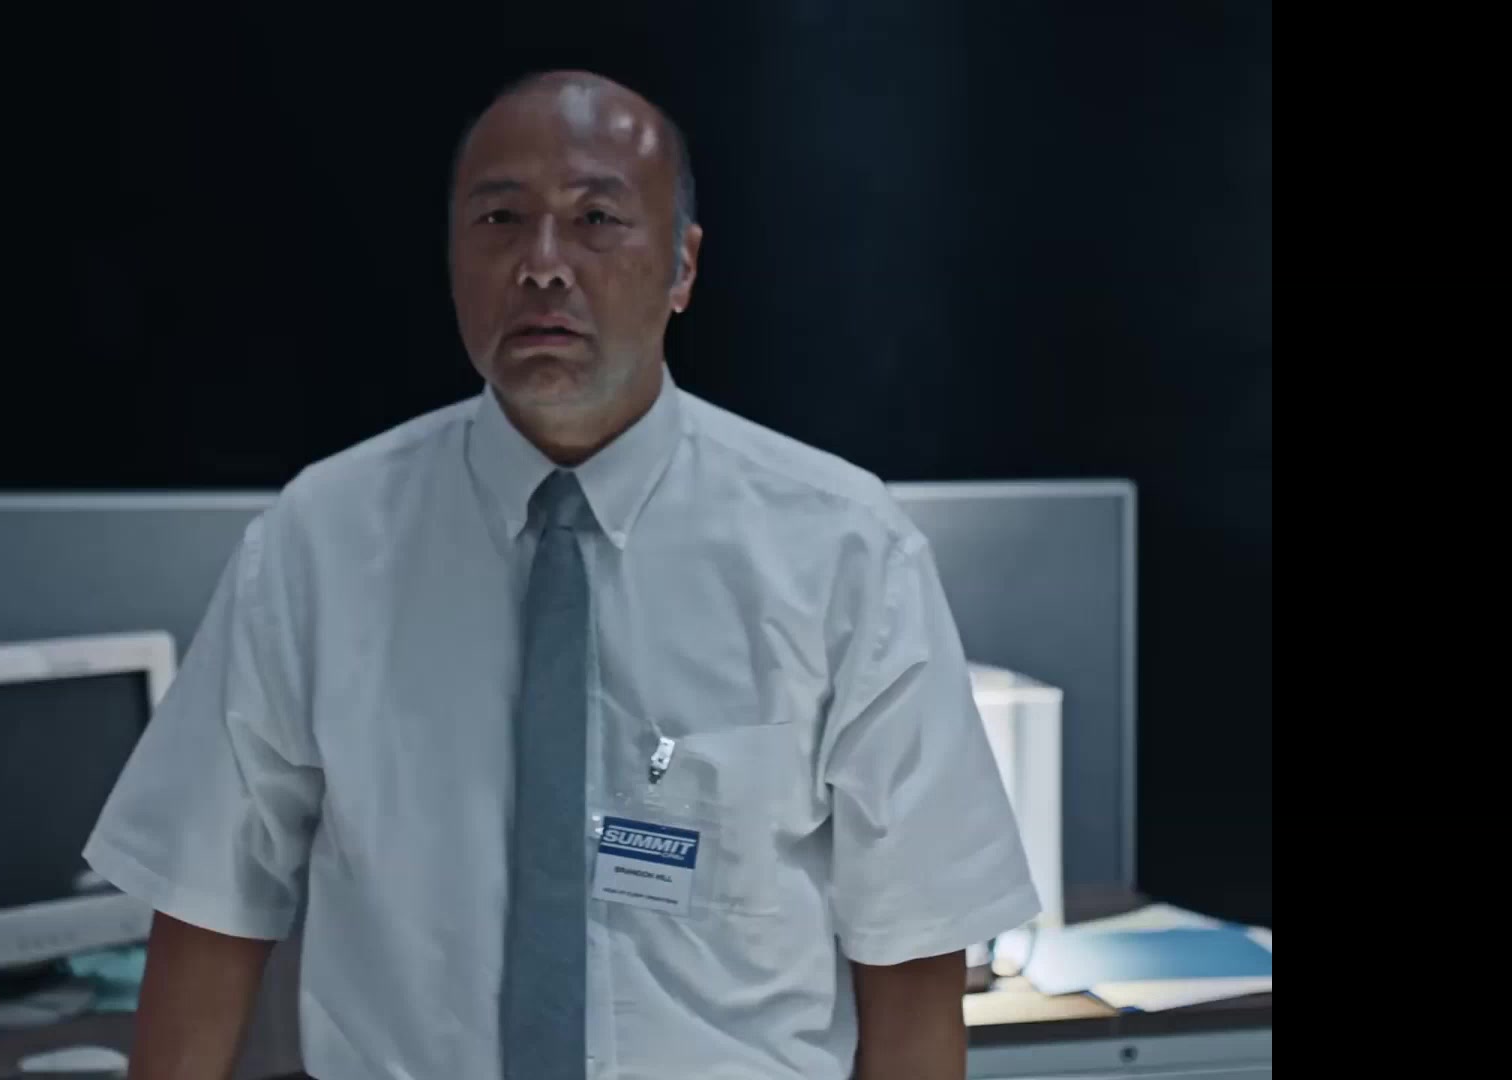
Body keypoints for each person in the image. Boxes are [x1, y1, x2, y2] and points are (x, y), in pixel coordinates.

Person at [84, 70, 1040, 1080]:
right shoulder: (318, 543)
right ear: (453, 258)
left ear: (683, 267)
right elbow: (207, 908)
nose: (543, 265)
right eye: (501, 220)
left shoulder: (843, 552)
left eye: (596, 220)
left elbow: (914, 961)